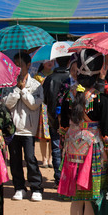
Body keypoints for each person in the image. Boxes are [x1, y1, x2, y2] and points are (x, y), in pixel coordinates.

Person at [58, 49, 108, 215]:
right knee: (92, 198)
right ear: (100, 69)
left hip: (72, 151)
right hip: (93, 152)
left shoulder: (69, 94)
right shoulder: (100, 98)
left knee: (77, 199)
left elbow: (63, 127)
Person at [4, 52, 44, 202]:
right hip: (13, 128)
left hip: (28, 129)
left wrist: (24, 90)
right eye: (15, 64)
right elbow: (6, 103)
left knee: (30, 158)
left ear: (28, 65)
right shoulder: (9, 83)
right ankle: (19, 188)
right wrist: (16, 90)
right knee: (14, 159)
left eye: (20, 64)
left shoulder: (36, 85)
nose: (17, 67)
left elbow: (34, 104)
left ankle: (36, 187)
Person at [42, 56, 72, 187]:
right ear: (70, 62)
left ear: (56, 61)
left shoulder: (50, 78)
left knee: (56, 147)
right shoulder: (71, 79)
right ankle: (68, 178)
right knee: (69, 148)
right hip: (70, 120)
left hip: (53, 117)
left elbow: (44, 99)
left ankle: (58, 178)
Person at [34, 60, 55, 168]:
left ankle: (51, 158)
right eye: (47, 61)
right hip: (42, 107)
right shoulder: (37, 77)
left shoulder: (54, 75)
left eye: (52, 60)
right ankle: (44, 159)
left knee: (52, 135)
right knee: (43, 136)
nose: (50, 62)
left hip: (51, 106)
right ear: (42, 62)